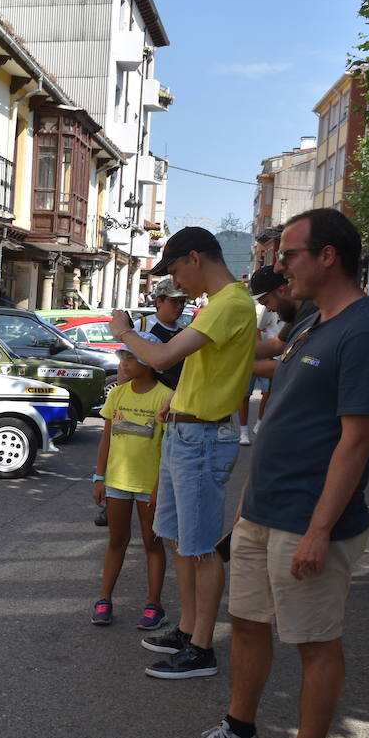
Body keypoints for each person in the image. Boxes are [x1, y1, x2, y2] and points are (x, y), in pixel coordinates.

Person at [177, 208, 369, 738]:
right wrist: (250, 499)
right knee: (248, 625)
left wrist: (319, 530)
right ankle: (240, 731)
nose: (281, 266)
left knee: (314, 642)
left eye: (291, 254)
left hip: (310, 520)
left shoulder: (368, 331)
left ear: (328, 256)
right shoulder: (310, 325)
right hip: (264, 511)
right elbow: (281, 400)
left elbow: (357, 440)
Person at [109, 226, 258, 679]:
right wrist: (179, 400)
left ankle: (202, 648)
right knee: (176, 537)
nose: (176, 283)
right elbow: (202, 366)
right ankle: (190, 628)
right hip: (185, 433)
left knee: (200, 547)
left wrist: (124, 333)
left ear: (195, 258)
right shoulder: (219, 306)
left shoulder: (231, 303)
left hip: (203, 439)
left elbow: (163, 357)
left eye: (175, 271)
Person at [90, 331, 174, 629]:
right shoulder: (117, 394)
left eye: (130, 357)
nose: (124, 364)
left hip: (149, 486)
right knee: (116, 540)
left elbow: (167, 448)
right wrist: (99, 476)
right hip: (117, 482)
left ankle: (154, 605)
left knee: (153, 544)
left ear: (149, 362)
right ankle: (104, 599)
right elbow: (106, 439)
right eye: (122, 357)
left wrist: (159, 487)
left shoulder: (165, 396)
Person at [246, 267, 290, 430]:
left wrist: (236, 363)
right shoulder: (295, 317)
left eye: (266, 302)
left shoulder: (309, 316)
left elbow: (291, 368)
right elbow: (277, 344)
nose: (269, 309)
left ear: (281, 291)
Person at [132, 278, 187, 389]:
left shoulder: (184, 331)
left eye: (182, 302)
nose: (180, 306)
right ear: (159, 302)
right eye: (174, 301)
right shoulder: (142, 326)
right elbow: (126, 364)